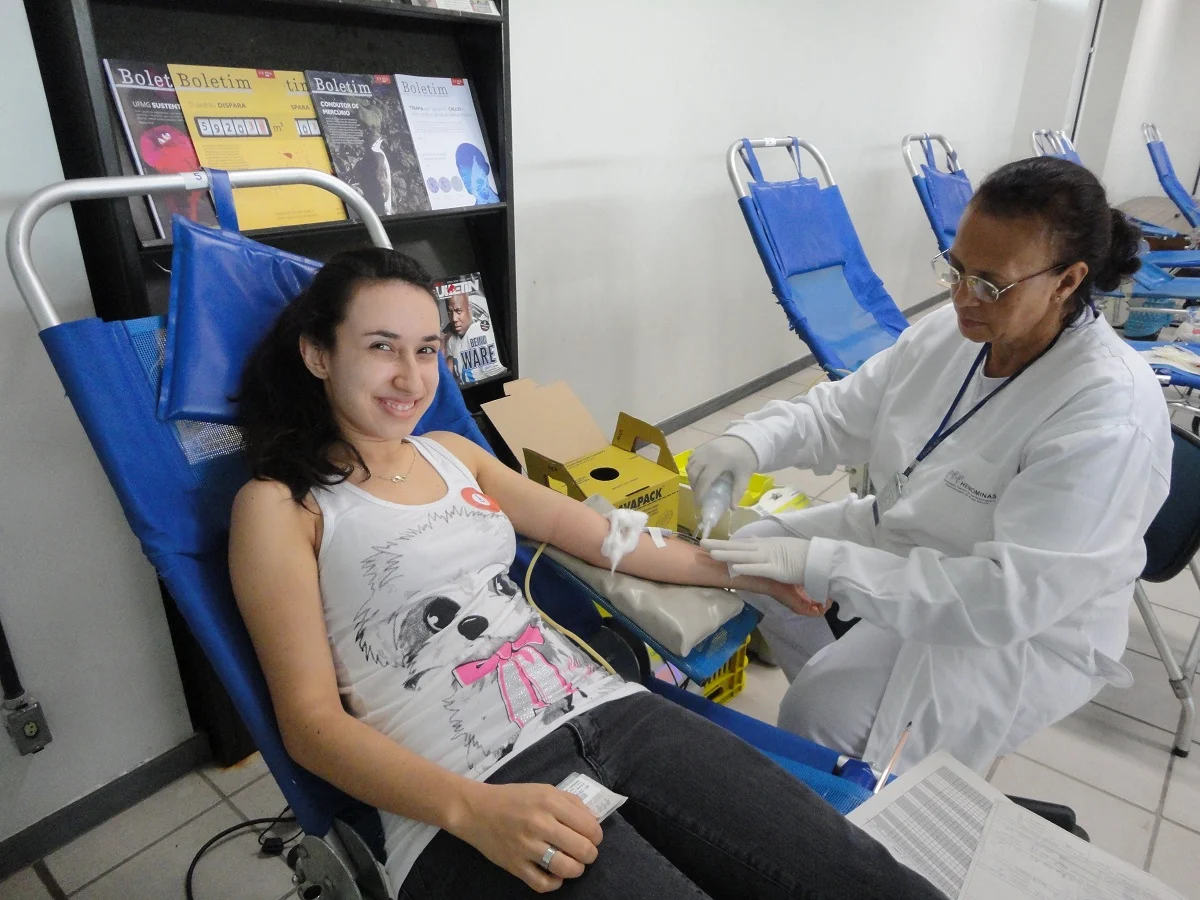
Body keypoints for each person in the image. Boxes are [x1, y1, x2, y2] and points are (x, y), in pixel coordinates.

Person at [229, 248, 945, 900]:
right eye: (380, 347)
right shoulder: (282, 507)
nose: (411, 378)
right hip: (467, 785)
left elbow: (605, 540)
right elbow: (311, 726)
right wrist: (471, 810)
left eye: (427, 350)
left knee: (854, 873)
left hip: (613, 712)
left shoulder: (453, 452)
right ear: (318, 354)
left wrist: (749, 574)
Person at [691, 156, 1172, 777]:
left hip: (1026, 627)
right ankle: (858, 721)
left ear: (1066, 281)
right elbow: (841, 414)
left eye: (991, 284)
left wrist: (826, 565)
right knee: (753, 558)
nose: (962, 297)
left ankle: (860, 760)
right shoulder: (952, 331)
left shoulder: (1107, 411)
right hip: (913, 539)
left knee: (820, 714)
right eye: (956, 268)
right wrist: (749, 443)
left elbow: (1006, 598)